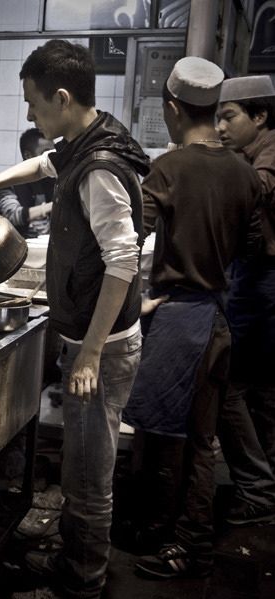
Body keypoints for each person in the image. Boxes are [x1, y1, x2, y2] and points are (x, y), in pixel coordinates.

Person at [0, 39, 149, 599]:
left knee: (87, 474)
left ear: (61, 98)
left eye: (34, 105)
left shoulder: (100, 168)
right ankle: (72, 560)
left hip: (102, 346)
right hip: (92, 335)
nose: (30, 116)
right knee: (81, 466)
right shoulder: (90, 139)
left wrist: (89, 352)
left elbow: (124, 261)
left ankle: (80, 584)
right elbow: (42, 163)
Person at [121, 58, 262, 580]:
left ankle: (164, 532)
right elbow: (251, 248)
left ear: (173, 109)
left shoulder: (169, 168)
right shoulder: (246, 174)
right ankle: (190, 541)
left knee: (164, 436)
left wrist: (131, 301)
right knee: (203, 440)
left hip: (178, 317)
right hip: (219, 319)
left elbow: (127, 243)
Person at [214, 74, 275, 525]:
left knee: (227, 385)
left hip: (262, 281)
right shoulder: (250, 151)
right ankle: (263, 486)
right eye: (216, 118)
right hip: (255, 278)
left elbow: (258, 188)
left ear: (260, 116)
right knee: (261, 389)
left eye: (228, 117)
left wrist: (202, 167)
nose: (220, 127)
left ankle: (257, 490)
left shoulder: (268, 153)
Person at [0, 128, 56, 238]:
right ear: (28, 155)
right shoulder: (7, 181)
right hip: (16, 244)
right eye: (46, 153)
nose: (52, 157)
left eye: (53, 152)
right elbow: (12, 215)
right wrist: (53, 206)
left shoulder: (53, 179)